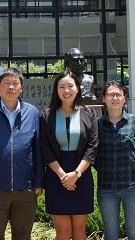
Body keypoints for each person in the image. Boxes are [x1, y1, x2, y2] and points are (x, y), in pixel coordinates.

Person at [0, 67, 44, 240]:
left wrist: (39, 180)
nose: (11, 87)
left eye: (15, 83)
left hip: (25, 189)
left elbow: (38, 149)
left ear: (21, 88)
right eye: (6, 83)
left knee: (23, 236)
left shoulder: (33, 113)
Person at [39, 70, 98, 240]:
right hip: (56, 176)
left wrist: (76, 174)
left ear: (77, 88)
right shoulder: (46, 115)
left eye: (70, 86)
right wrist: (63, 176)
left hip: (81, 175)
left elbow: (93, 147)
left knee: (79, 231)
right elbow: (45, 147)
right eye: (62, 86)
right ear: (56, 90)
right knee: (63, 232)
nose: (66, 90)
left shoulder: (89, 114)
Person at [95, 80, 135, 240]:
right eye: (110, 94)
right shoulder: (97, 125)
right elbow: (93, 155)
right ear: (103, 98)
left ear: (125, 98)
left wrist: (134, 168)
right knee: (110, 234)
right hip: (106, 188)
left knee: (134, 233)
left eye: (118, 94)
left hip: (132, 186)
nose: (115, 98)